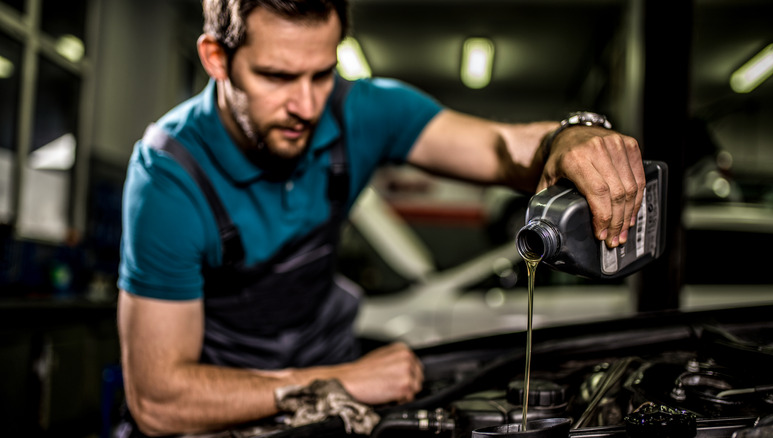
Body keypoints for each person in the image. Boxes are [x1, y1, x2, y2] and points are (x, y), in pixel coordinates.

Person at [117, 0, 645, 436]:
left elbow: (502, 147)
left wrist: (570, 136)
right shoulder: (168, 177)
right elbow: (159, 399)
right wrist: (340, 381)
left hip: (328, 357)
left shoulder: (361, 110)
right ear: (216, 57)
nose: (305, 105)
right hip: (224, 397)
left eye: (322, 73)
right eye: (276, 75)